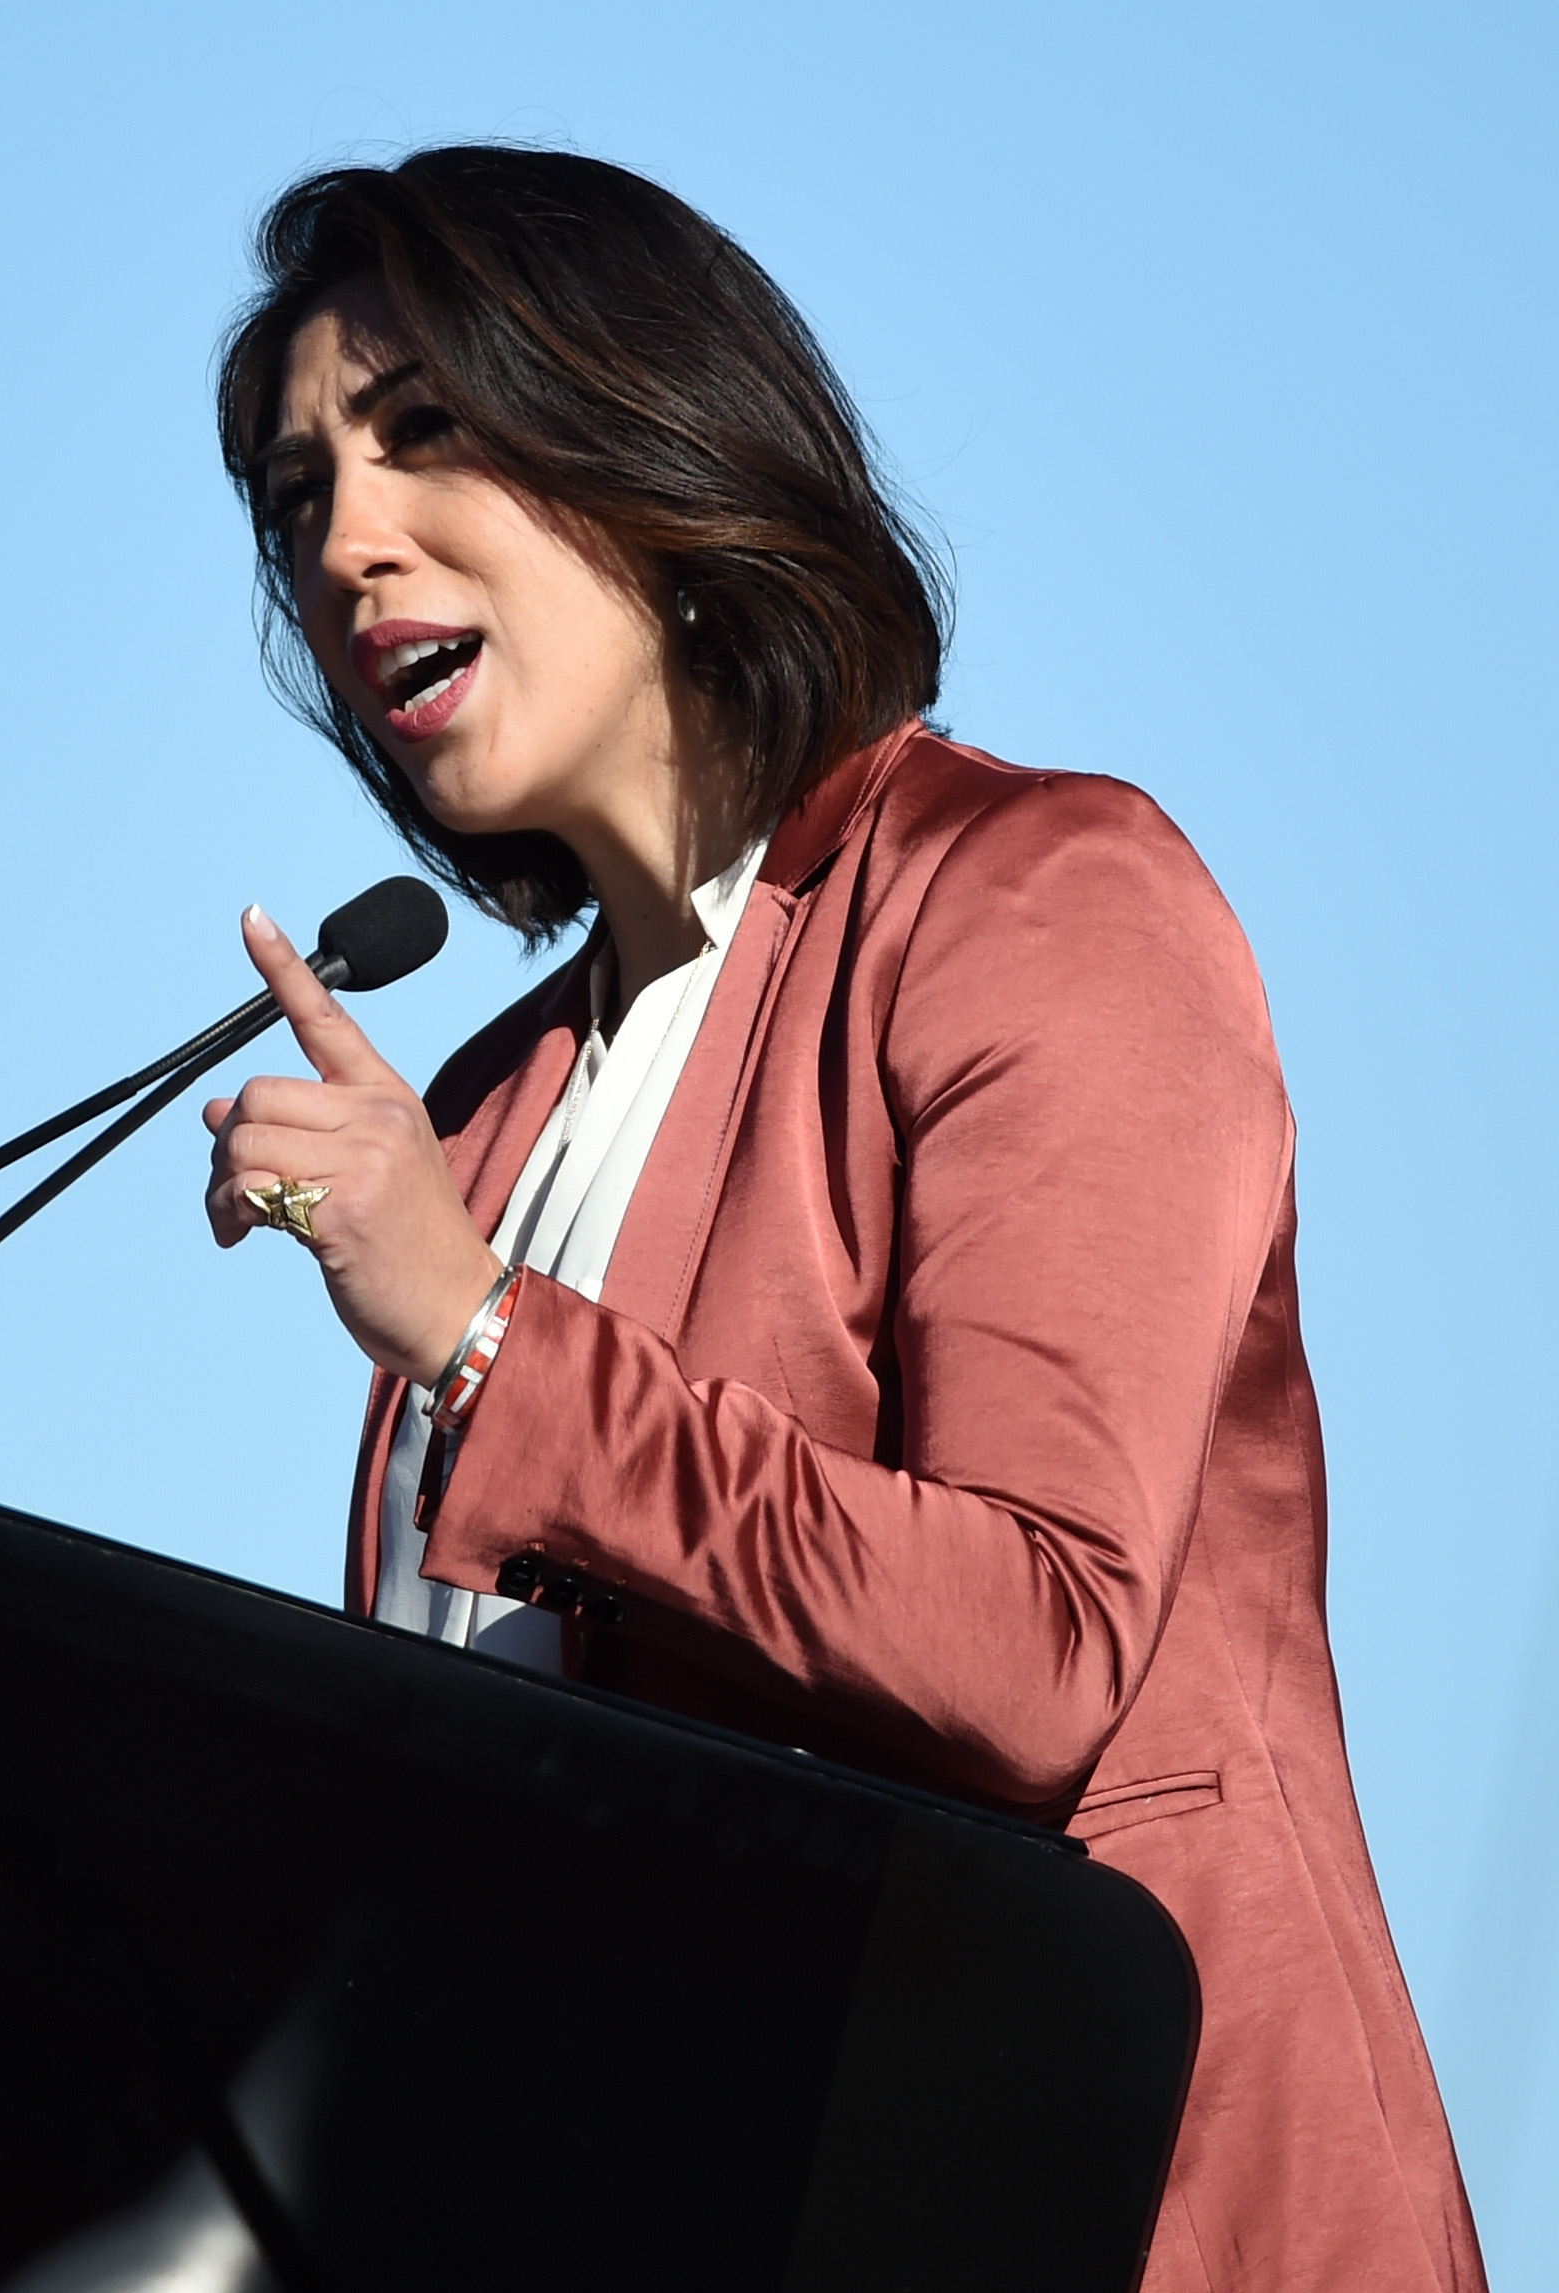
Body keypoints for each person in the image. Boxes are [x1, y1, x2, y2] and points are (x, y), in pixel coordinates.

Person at [200, 145, 1482, 2291]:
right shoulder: (496, 1114)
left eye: (424, 430)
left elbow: (1044, 1641)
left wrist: (490, 1338)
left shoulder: (1042, 904)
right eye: (298, 490)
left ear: (648, 431)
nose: (347, 539)